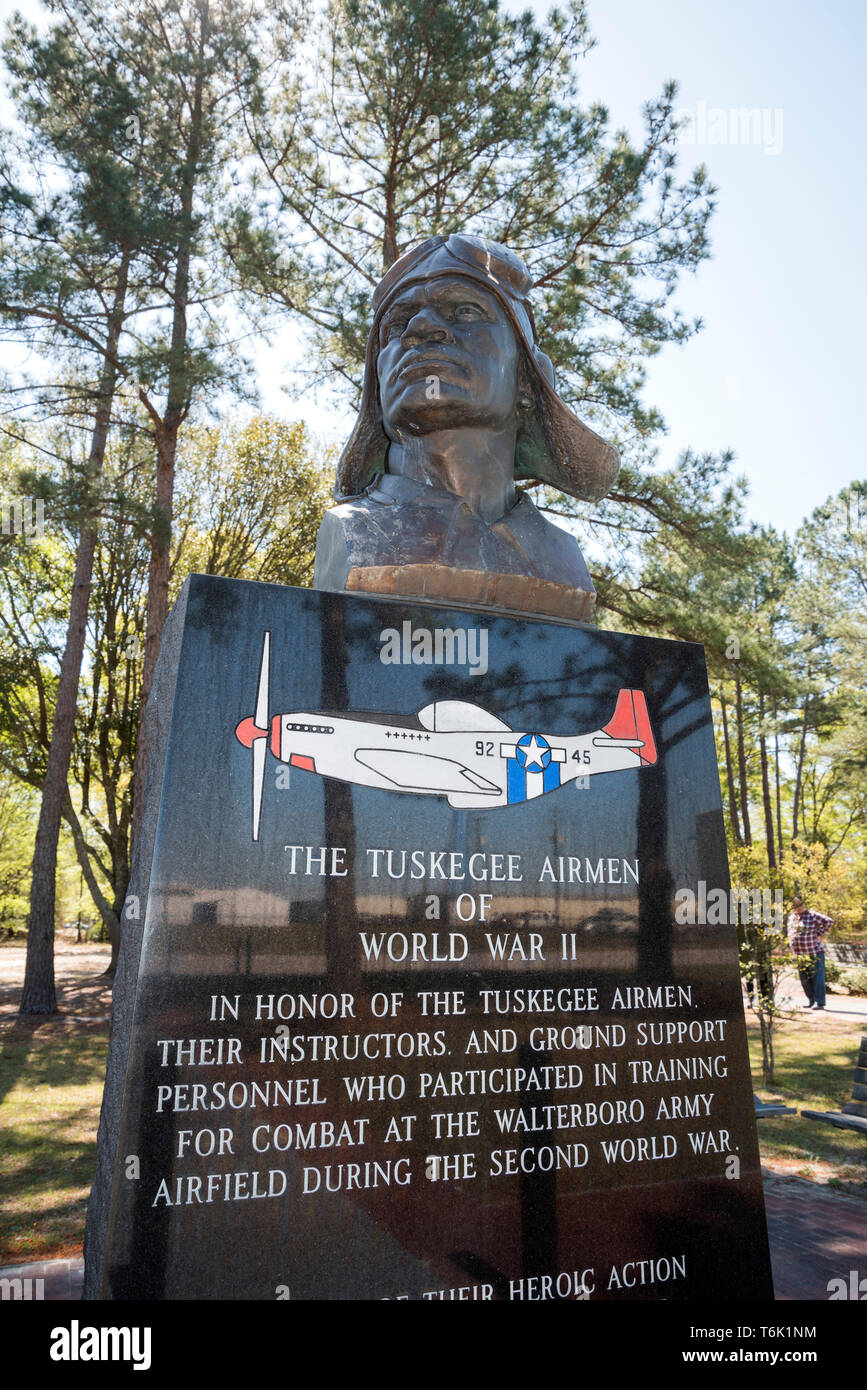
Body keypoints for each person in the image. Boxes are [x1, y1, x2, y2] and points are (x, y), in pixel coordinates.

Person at [313, 232, 619, 620]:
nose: (419, 329)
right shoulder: (355, 533)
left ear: (527, 380)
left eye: (465, 311)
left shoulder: (561, 556)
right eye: (398, 323)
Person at [787, 896, 834, 1010]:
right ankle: (811, 1000)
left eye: (800, 904)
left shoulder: (812, 915)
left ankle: (820, 1003)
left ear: (803, 904)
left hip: (814, 952)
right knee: (805, 979)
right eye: (795, 905)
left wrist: (819, 932)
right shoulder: (792, 917)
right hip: (800, 954)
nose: (798, 907)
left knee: (817, 979)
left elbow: (829, 921)